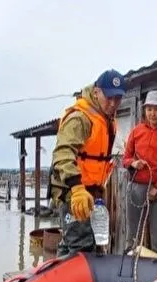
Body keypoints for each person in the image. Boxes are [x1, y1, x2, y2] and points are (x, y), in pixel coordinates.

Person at [49, 69, 127, 256]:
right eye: (109, 97)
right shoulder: (80, 118)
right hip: (73, 193)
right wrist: (76, 189)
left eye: (117, 98)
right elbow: (62, 154)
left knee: (76, 244)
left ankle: (59, 278)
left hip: (92, 192)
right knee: (81, 247)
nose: (113, 103)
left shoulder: (107, 119)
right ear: (96, 92)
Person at [122, 90, 157, 256]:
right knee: (133, 235)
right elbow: (125, 158)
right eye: (149, 109)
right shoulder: (137, 131)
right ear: (144, 110)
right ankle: (128, 269)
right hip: (136, 188)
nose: (152, 113)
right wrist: (133, 163)